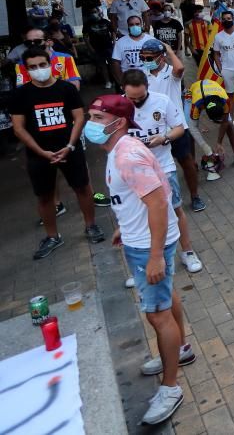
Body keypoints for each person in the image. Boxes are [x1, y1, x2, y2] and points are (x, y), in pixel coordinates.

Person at [86, 95, 192, 425]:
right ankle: (180, 349)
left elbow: (159, 203)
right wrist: (123, 225)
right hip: (140, 239)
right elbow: (136, 197)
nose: (90, 123)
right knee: (166, 297)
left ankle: (171, 387)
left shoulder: (128, 155)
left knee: (157, 315)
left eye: (97, 117)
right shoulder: (117, 150)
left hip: (149, 245)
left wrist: (156, 255)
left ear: (118, 123)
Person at [11, 48, 104, 260]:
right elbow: (19, 128)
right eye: (32, 67)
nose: (38, 70)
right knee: (45, 196)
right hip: (38, 154)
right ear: (26, 70)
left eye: (42, 65)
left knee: (83, 187)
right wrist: (40, 152)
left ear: (50, 64)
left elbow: (79, 118)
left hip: (69, 149)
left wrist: (70, 145)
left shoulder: (66, 89)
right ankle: (52, 236)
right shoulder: (21, 94)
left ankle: (91, 226)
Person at [122, 70, 203, 275]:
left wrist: (164, 138)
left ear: (147, 88)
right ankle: (142, 263)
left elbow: (179, 128)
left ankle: (188, 251)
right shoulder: (118, 106)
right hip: (133, 171)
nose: (137, 102)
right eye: (132, 99)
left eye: (141, 97)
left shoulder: (162, 100)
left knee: (175, 209)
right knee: (138, 216)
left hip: (163, 167)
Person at [140, 40, 204, 212]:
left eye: (150, 57)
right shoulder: (141, 75)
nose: (146, 60)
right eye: (143, 57)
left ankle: (195, 196)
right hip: (153, 129)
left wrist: (169, 50)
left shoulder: (171, 72)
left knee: (187, 162)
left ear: (161, 57)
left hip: (176, 126)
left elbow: (180, 68)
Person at [14, 28, 82, 89]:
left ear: (48, 42)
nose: (33, 45)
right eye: (28, 43)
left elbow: (74, 86)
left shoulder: (66, 58)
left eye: (37, 41)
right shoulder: (21, 64)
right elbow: (23, 92)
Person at [84, 9, 116, 88]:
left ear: (99, 12)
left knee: (112, 64)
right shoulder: (87, 25)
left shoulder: (105, 22)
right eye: (92, 12)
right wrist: (90, 48)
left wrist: (114, 42)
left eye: (95, 12)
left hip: (108, 46)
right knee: (102, 65)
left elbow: (113, 32)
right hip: (96, 48)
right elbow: (85, 37)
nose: (94, 14)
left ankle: (115, 80)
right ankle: (107, 82)